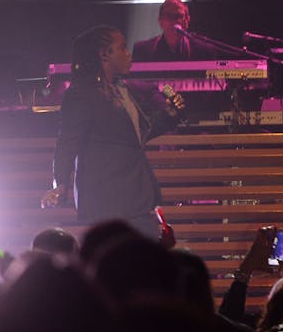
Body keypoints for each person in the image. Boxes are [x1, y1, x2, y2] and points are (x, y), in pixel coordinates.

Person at [42, 25, 184, 239]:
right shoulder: (81, 93)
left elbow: (134, 136)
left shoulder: (123, 90)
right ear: (104, 55)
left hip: (137, 199)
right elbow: (67, 143)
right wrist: (59, 183)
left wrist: (170, 116)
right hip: (107, 202)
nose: (129, 54)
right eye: (122, 48)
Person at [130, 0, 218, 62]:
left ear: (187, 20)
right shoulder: (142, 50)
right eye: (168, 16)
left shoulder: (205, 51)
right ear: (160, 21)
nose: (173, 21)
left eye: (178, 16)